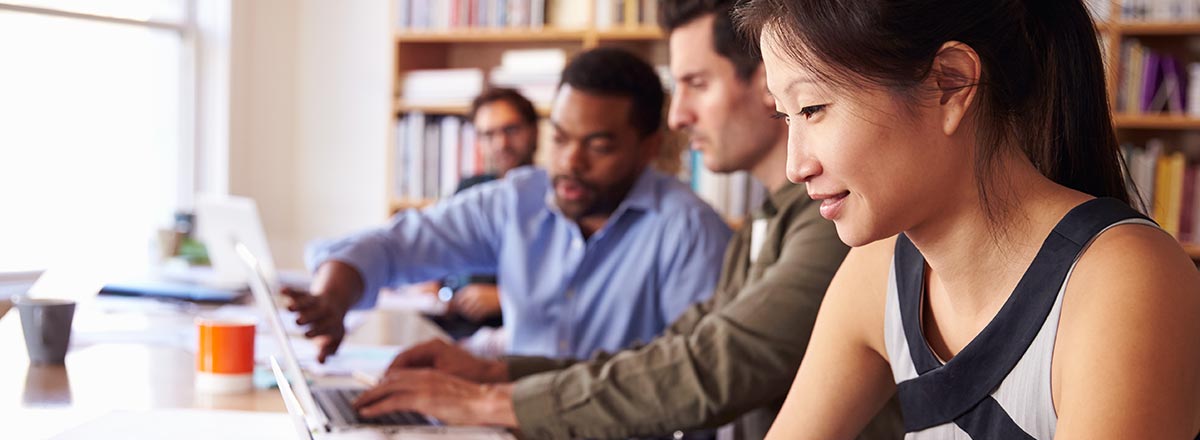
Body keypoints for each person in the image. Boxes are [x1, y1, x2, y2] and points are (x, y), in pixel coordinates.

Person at [349, 2, 903, 438]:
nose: (679, 114)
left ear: (766, 77)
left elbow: (709, 367)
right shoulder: (769, 219)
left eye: (695, 83)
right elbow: (670, 349)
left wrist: (488, 402)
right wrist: (497, 375)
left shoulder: (836, 228)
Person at [734, 0, 1200, 438]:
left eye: (813, 108)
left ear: (950, 84)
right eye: (785, 116)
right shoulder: (880, 273)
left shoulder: (1124, 281)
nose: (796, 166)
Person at [289, 47, 732, 365]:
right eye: (559, 138)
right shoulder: (516, 200)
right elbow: (392, 245)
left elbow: (687, 380)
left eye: (598, 146)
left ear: (649, 146)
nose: (570, 163)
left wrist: (488, 379)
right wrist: (333, 297)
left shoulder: (690, 231)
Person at [434, 88, 541, 336]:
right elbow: (439, 251)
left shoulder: (556, 195)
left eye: (511, 130)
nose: (501, 144)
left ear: (534, 131)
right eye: (488, 134)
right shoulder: (470, 190)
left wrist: (506, 298)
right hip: (455, 328)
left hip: (515, 333)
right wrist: (434, 287)